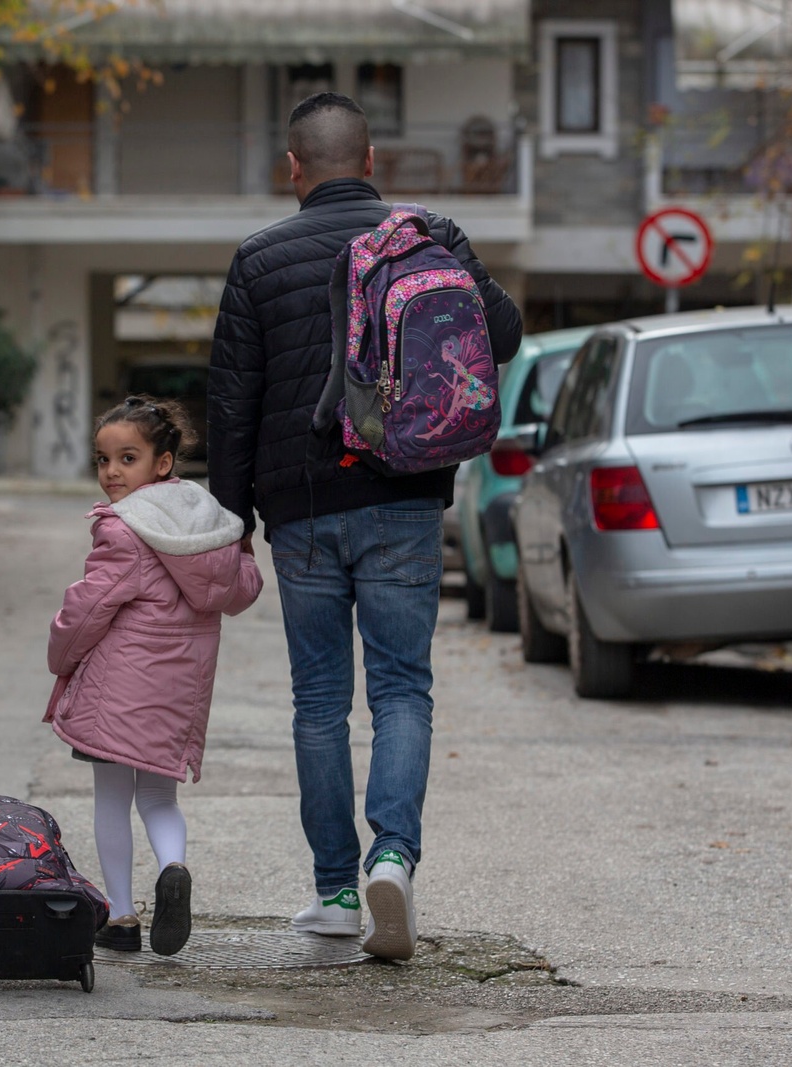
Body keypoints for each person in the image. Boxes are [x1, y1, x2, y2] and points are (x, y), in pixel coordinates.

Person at [207, 92, 523, 960]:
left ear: (294, 167)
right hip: (405, 493)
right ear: (374, 161)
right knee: (401, 691)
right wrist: (452, 252)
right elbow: (503, 336)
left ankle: (338, 891)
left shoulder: (259, 259)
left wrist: (231, 521)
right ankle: (394, 854)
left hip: (302, 507)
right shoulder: (428, 237)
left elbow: (232, 401)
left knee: (318, 701)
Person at [44, 396, 263, 956]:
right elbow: (242, 587)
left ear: (162, 463)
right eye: (103, 460)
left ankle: (119, 918)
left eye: (127, 458)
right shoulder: (208, 521)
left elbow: (88, 609)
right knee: (160, 799)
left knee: (111, 797)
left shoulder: (123, 529)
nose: (112, 472)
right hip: (180, 689)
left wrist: (60, 656)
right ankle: (173, 866)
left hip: (119, 689)